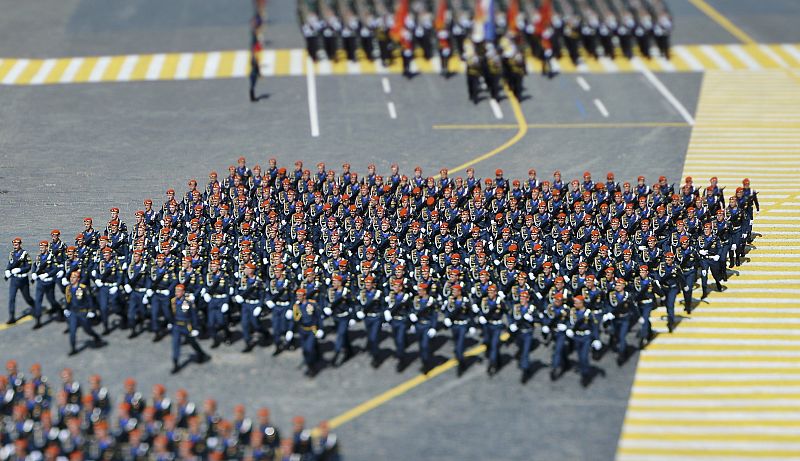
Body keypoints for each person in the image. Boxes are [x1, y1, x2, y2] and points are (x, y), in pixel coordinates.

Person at [169, 284, 210, 373]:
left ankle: (200, 353)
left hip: (186, 325)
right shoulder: (173, 301)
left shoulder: (188, 302)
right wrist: (170, 323)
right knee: (175, 344)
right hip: (177, 325)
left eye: (179, 291)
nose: (177, 293)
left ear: (183, 292)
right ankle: (175, 363)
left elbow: (194, 316)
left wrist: (195, 328)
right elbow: (172, 313)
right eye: (176, 291)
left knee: (192, 341)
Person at [64, 270, 104, 355]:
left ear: (78, 279)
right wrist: (66, 309)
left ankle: (96, 337)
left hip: (83, 313)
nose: (71, 279)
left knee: (87, 330)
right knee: (72, 331)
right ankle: (73, 348)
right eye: (71, 277)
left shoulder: (83, 288)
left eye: (74, 277)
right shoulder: (68, 288)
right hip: (74, 313)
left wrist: (92, 311)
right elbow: (68, 300)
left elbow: (90, 300)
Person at [5, 237, 33, 324]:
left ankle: (35, 307)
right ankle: (12, 317)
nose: (15, 246)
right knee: (11, 298)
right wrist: (7, 270)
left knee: (27, 298)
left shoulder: (24, 254)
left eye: (16, 244)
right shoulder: (12, 253)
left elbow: (28, 266)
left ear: (20, 244)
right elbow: (10, 263)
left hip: (23, 279)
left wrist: (20, 270)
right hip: (14, 279)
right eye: (14, 244)